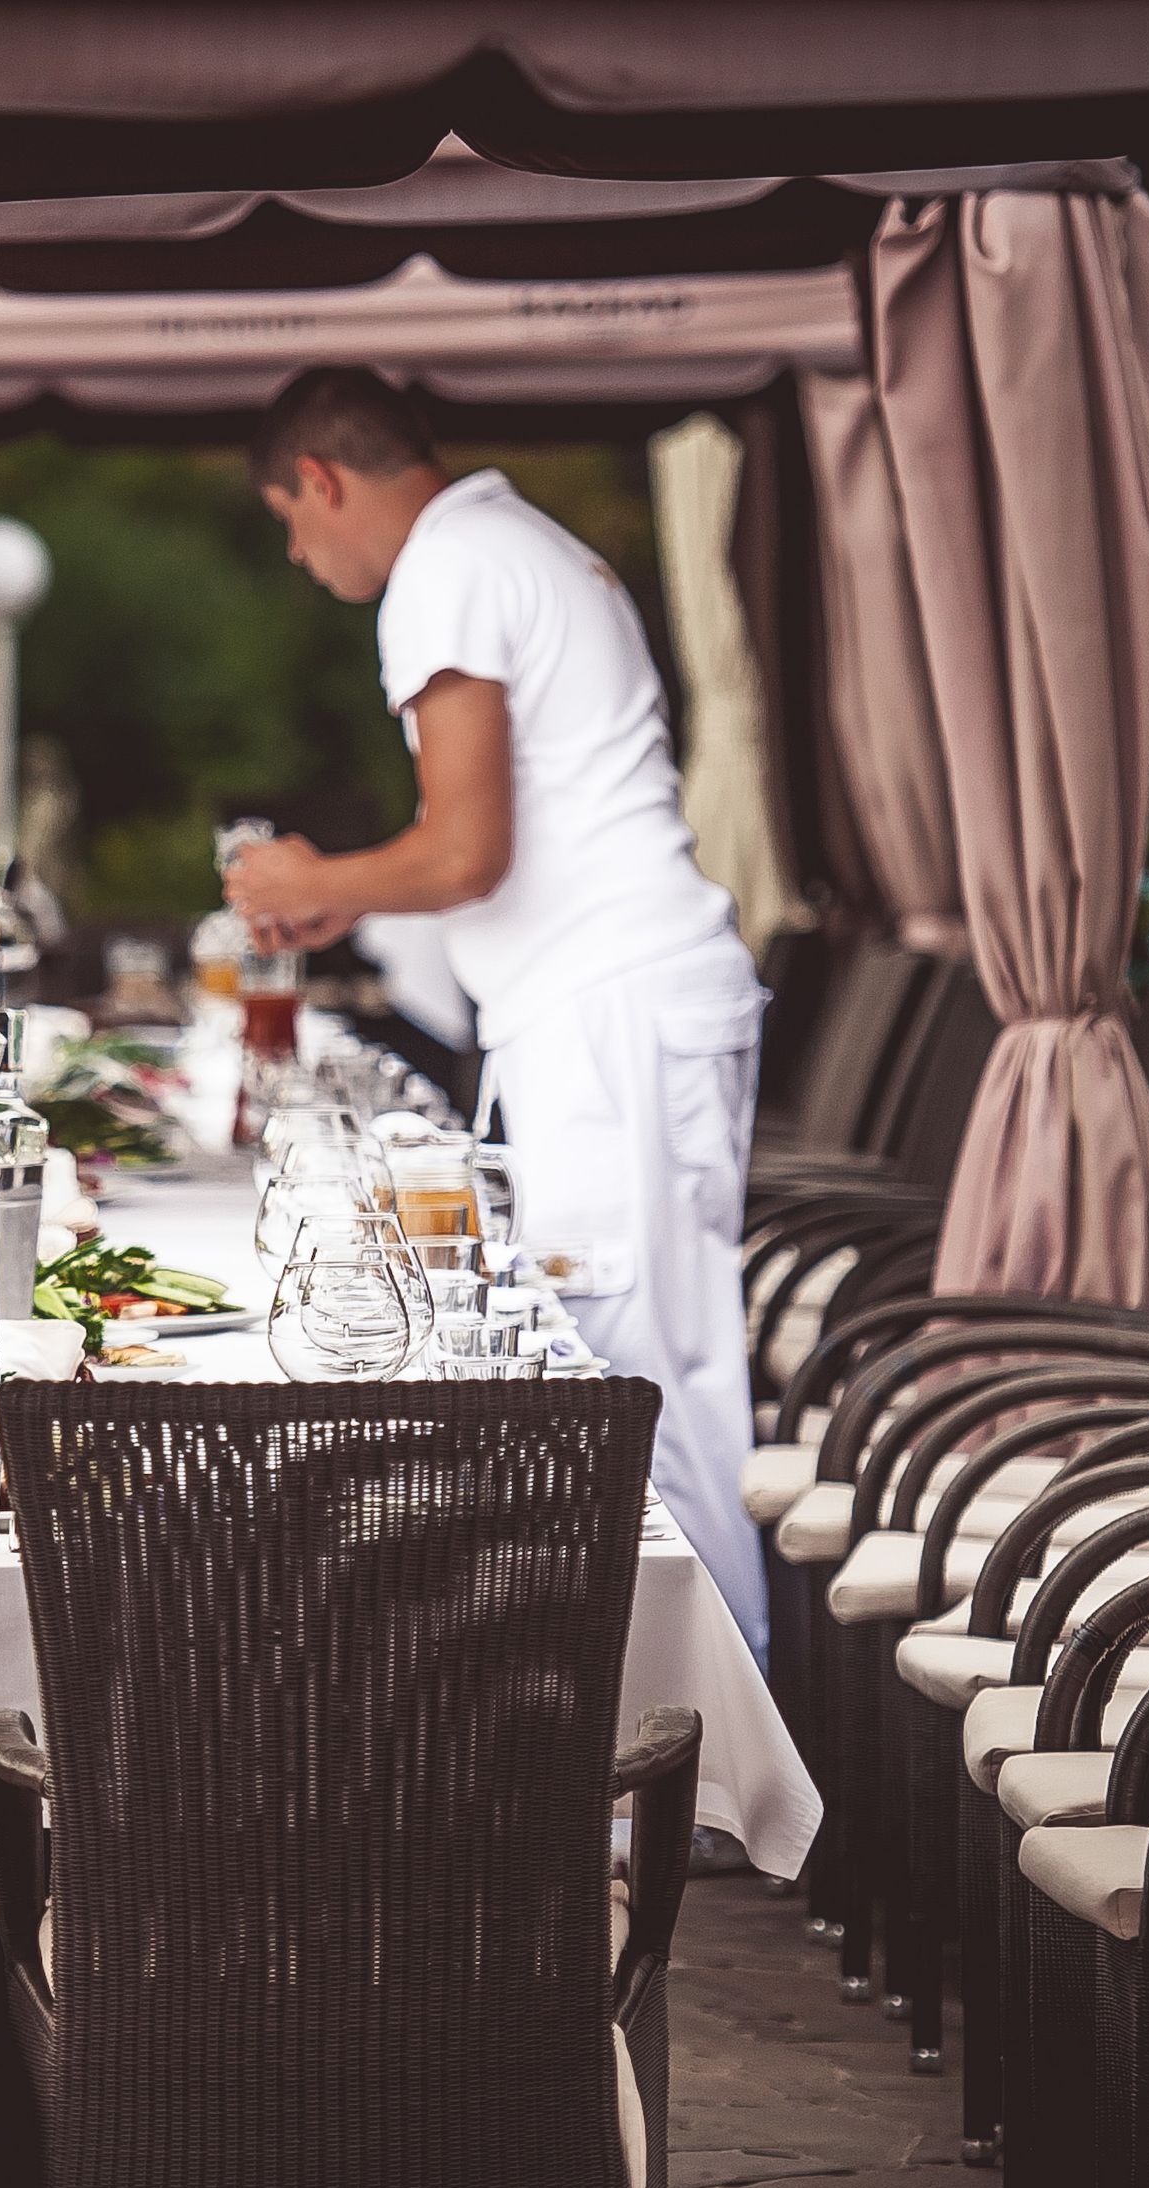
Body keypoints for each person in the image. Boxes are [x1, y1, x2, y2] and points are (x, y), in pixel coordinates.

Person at [222, 365, 770, 1652]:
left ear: (321, 480)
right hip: (616, 1002)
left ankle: (703, 1742)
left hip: (610, 1011)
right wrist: (347, 899)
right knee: (661, 1379)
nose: (298, 555)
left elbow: (468, 850)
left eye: (289, 522)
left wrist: (314, 880)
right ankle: (694, 1719)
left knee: (629, 1388)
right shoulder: (515, 540)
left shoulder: (450, 563)